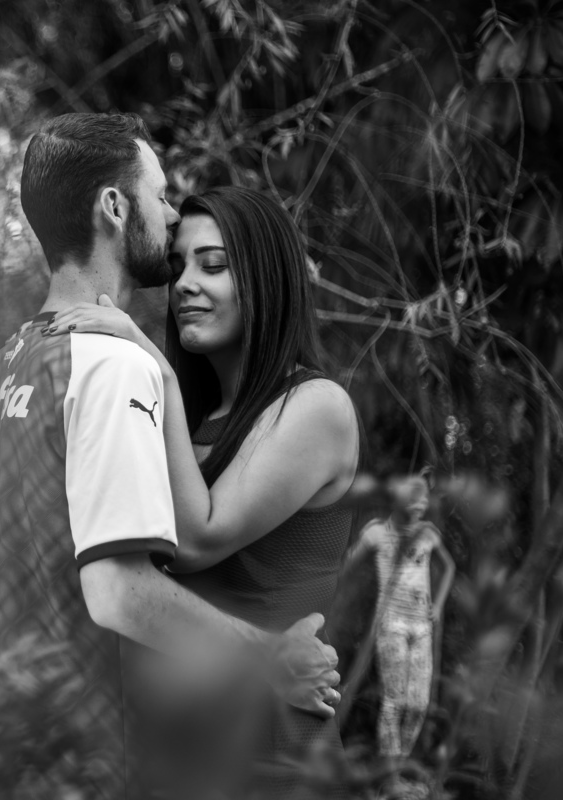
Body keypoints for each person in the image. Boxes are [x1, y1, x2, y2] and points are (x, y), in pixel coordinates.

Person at [0, 115, 341, 800]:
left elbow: (182, 545)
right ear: (114, 206)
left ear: (265, 279)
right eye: (160, 196)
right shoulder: (116, 370)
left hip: (261, 751)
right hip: (118, 750)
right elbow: (121, 587)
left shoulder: (11, 365)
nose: (181, 268)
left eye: (213, 264)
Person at [45, 186, 361, 798]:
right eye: (179, 266)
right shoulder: (188, 422)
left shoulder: (316, 407)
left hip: (272, 760)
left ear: (266, 281)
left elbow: (195, 541)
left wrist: (156, 372)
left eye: (213, 265)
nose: (185, 283)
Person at [344, 474, 455, 761]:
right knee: (395, 700)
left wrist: (438, 605)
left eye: (423, 501)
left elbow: (449, 567)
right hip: (390, 624)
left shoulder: (427, 533)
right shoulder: (377, 533)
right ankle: (390, 771)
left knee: (418, 705)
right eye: (414, 500)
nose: (420, 505)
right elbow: (346, 566)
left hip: (421, 627)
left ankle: (399, 764)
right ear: (399, 500)